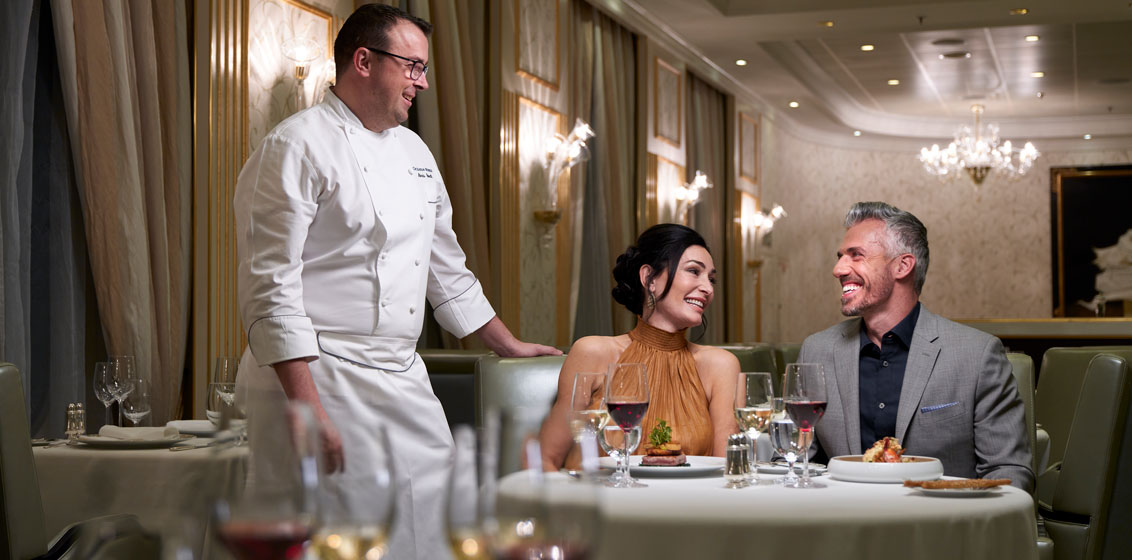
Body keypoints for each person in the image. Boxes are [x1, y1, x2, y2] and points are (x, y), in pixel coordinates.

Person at [232, 4, 559, 557]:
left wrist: (507, 344)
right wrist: (308, 410)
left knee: (436, 527)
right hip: (322, 375)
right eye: (413, 66)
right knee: (342, 537)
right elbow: (271, 290)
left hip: (403, 377)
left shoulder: (415, 152)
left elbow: (445, 266)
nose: (422, 83)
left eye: (423, 69)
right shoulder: (295, 146)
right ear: (363, 61)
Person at [798, 201, 1033, 491]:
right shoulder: (817, 351)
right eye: (840, 257)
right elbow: (795, 462)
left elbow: (1009, 471)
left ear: (903, 266)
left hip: (941, 517)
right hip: (844, 516)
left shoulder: (976, 355)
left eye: (856, 255)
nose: (838, 269)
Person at [540, 224, 740, 470]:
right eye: (693, 271)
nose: (708, 288)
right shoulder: (592, 353)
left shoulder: (720, 366)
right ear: (649, 278)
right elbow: (546, 459)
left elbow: (727, 469)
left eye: (711, 279)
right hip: (598, 493)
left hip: (689, 496)